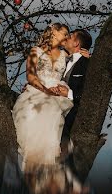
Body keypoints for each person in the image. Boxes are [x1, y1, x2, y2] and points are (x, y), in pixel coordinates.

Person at [12, 23, 90, 170]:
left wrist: (89, 55)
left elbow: (77, 59)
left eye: (69, 35)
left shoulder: (65, 55)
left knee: (54, 127)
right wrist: (45, 90)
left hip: (58, 95)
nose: (67, 37)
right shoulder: (35, 51)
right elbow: (30, 77)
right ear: (54, 32)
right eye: (65, 33)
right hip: (39, 91)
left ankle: (53, 168)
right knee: (36, 123)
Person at [56, 29, 92, 158]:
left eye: (70, 36)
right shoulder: (61, 60)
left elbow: (89, 92)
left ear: (76, 43)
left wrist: (69, 94)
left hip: (71, 112)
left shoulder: (88, 64)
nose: (66, 38)